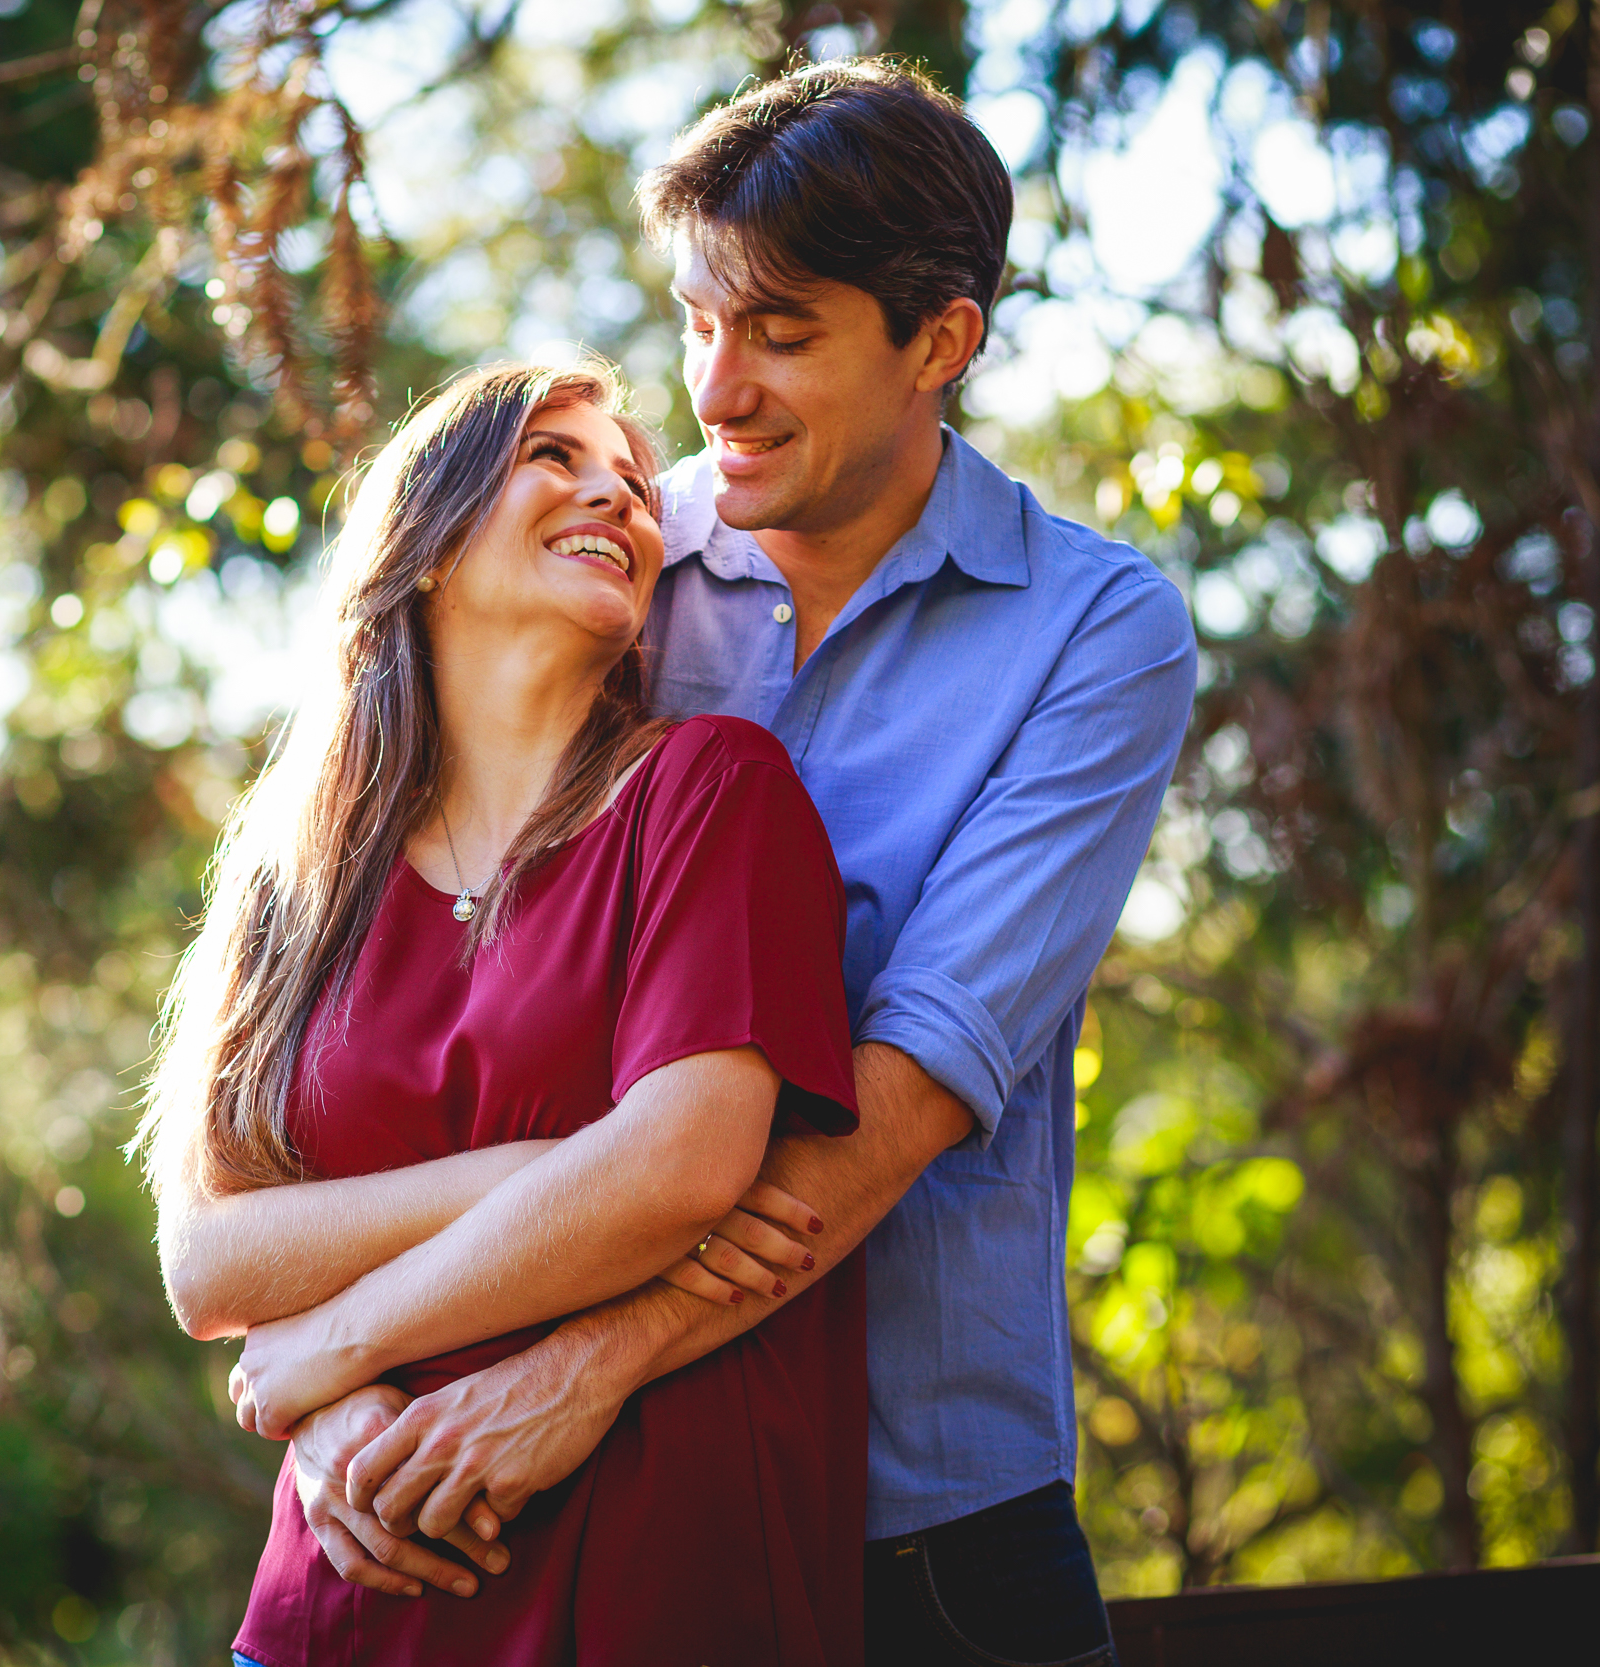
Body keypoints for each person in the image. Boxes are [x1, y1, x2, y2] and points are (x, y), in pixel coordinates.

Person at [275, 59, 1198, 1667]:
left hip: (924, 1510)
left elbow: (912, 1083)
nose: (715, 387)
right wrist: (332, 1386)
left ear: (942, 343)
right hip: (557, 1498)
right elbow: (355, 997)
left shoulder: (1096, 634)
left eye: (781, 332)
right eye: (699, 320)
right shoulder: (599, 566)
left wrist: (590, 1361)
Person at [133, 359, 868, 1666]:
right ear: (425, 545)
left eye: (634, 482)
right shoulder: (298, 877)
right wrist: (545, 1171)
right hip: (336, 1607)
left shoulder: (713, 792)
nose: (618, 495)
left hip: (648, 1591)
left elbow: (682, 1164)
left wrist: (334, 1340)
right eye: (553, 457)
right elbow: (208, 1266)